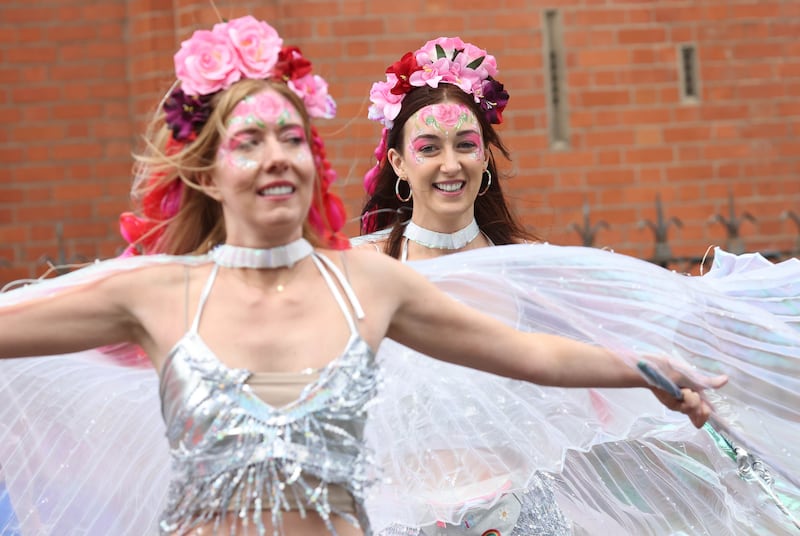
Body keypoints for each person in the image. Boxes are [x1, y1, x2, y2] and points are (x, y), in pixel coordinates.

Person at [0, 17, 722, 536]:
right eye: (249, 142)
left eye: (293, 138)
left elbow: (533, 354)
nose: (277, 155)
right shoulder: (154, 293)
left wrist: (642, 365)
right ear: (209, 175)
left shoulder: (365, 284)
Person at [356, 37, 800, 534]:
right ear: (398, 163)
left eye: (465, 145)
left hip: (519, 519)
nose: (450, 163)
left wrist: (668, 359)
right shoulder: (360, 270)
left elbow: (624, 328)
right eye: (428, 148)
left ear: (485, 160)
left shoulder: (527, 268)